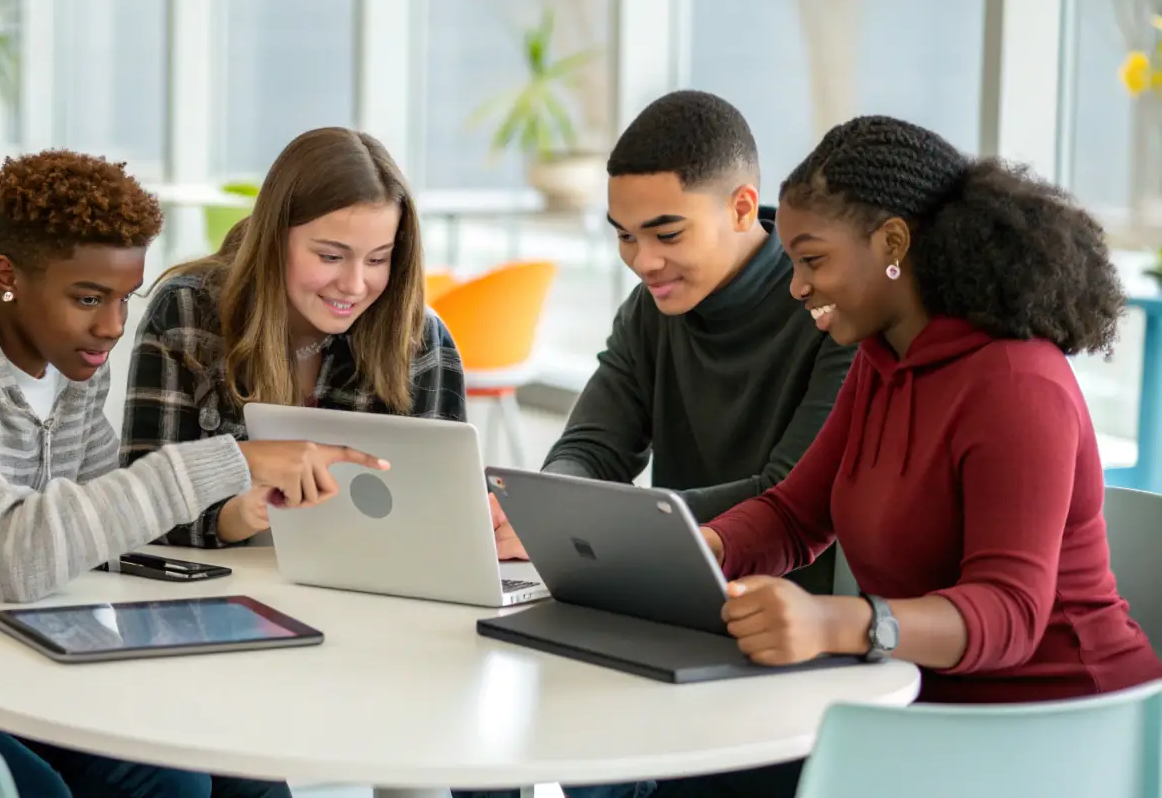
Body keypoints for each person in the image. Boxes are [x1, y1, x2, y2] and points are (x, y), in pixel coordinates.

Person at [0, 150, 380, 798]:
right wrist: (230, 459)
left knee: (215, 770)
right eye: (87, 298)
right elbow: (15, 554)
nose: (111, 327)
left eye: (124, 298)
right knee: (38, 791)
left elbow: (104, 516)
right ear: (7, 276)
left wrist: (234, 510)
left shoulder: (62, 358)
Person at [677, 116, 1162, 798]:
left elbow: (1011, 614)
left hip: (1063, 733)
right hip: (925, 717)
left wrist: (835, 623)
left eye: (812, 260)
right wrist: (700, 548)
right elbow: (795, 516)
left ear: (893, 242)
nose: (796, 287)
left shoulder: (1018, 386)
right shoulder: (881, 363)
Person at [492, 91, 855, 599]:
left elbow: (787, 496)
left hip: (797, 620)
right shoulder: (651, 309)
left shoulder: (836, 311)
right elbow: (592, 448)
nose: (643, 262)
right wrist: (548, 502)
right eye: (625, 236)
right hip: (667, 595)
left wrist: (605, 520)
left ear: (742, 208)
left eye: (667, 235)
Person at [121, 126, 466, 549]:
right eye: (330, 257)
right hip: (220, 599)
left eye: (378, 259)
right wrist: (234, 517)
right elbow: (137, 509)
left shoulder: (418, 339)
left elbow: (442, 517)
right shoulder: (186, 315)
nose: (355, 285)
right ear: (274, 238)